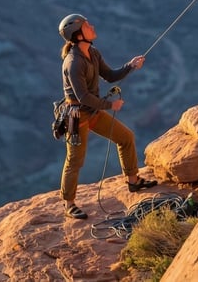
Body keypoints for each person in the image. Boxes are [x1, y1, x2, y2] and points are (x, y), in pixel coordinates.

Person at [57, 13, 157, 220]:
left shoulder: (92, 53)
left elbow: (109, 76)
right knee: (75, 160)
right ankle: (69, 204)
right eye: (87, 26)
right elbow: (82, 97)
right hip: (77, 115)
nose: (92, 26)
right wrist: (110, 105)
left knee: (126, 137)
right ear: (77, 35)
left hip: (92, 111)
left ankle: (133, 180)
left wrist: (130, 66)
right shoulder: (73, 62)